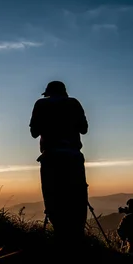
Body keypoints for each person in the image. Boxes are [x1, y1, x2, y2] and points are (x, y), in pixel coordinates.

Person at [29, 81, 89, 246]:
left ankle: (60, 237)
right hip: (73, 157)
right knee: (77, 197)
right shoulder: (74, 103)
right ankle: (77, 238)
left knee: (53, 196)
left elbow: (34, 132)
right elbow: (84, 129)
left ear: (48, 93)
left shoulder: (41, 104)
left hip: (51, 157)